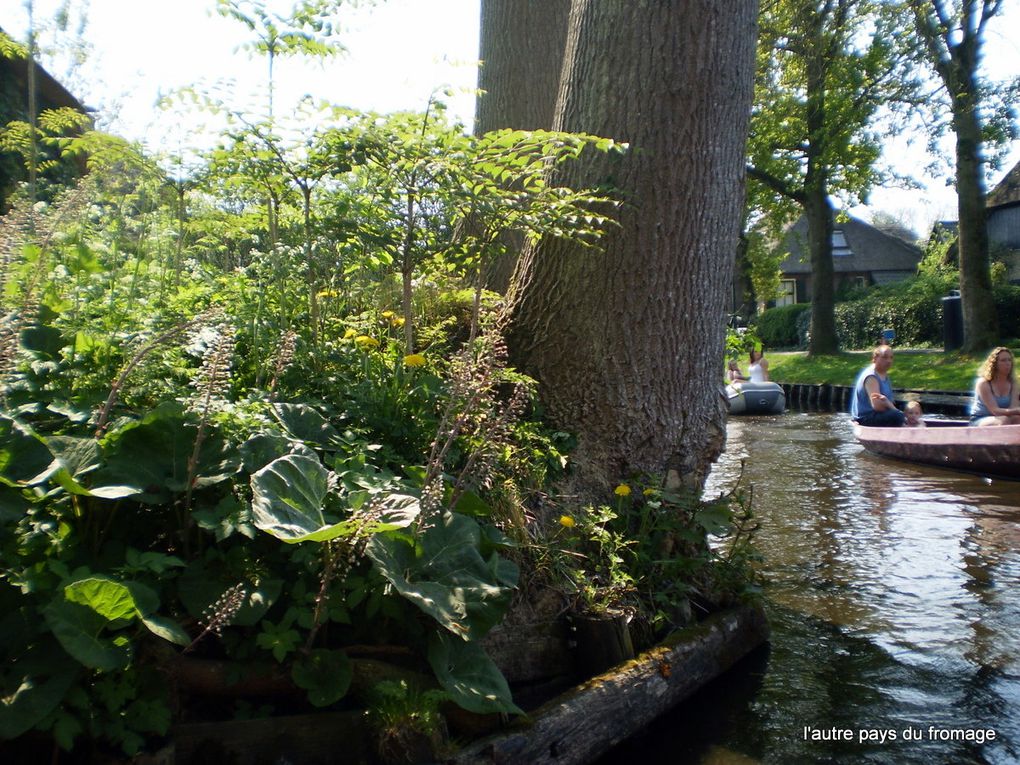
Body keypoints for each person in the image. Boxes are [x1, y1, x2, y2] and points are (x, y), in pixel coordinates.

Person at [850, 344, 906, 427]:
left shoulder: (884, 374)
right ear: (875, 359)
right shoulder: (871, 377)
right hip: (865, 418)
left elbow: (890, 402)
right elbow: (877, 406)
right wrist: (896, 411)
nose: (889, 361)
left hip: (878, 415)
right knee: (897, 416)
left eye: (891, 357)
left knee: (909, 410)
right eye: (885, 357)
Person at [969, 346, 1020, 426]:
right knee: (1004, 420)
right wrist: (1017, 411)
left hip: (1004, 418)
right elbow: (994, 410)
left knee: (1017, 418)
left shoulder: (1013, 383)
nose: (1007, 363)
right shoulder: (984, 383)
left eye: (1009, 360)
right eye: (1003, 360)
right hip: (980, 419)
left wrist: (1016, 412)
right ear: (994, 364)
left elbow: (1013, 408)